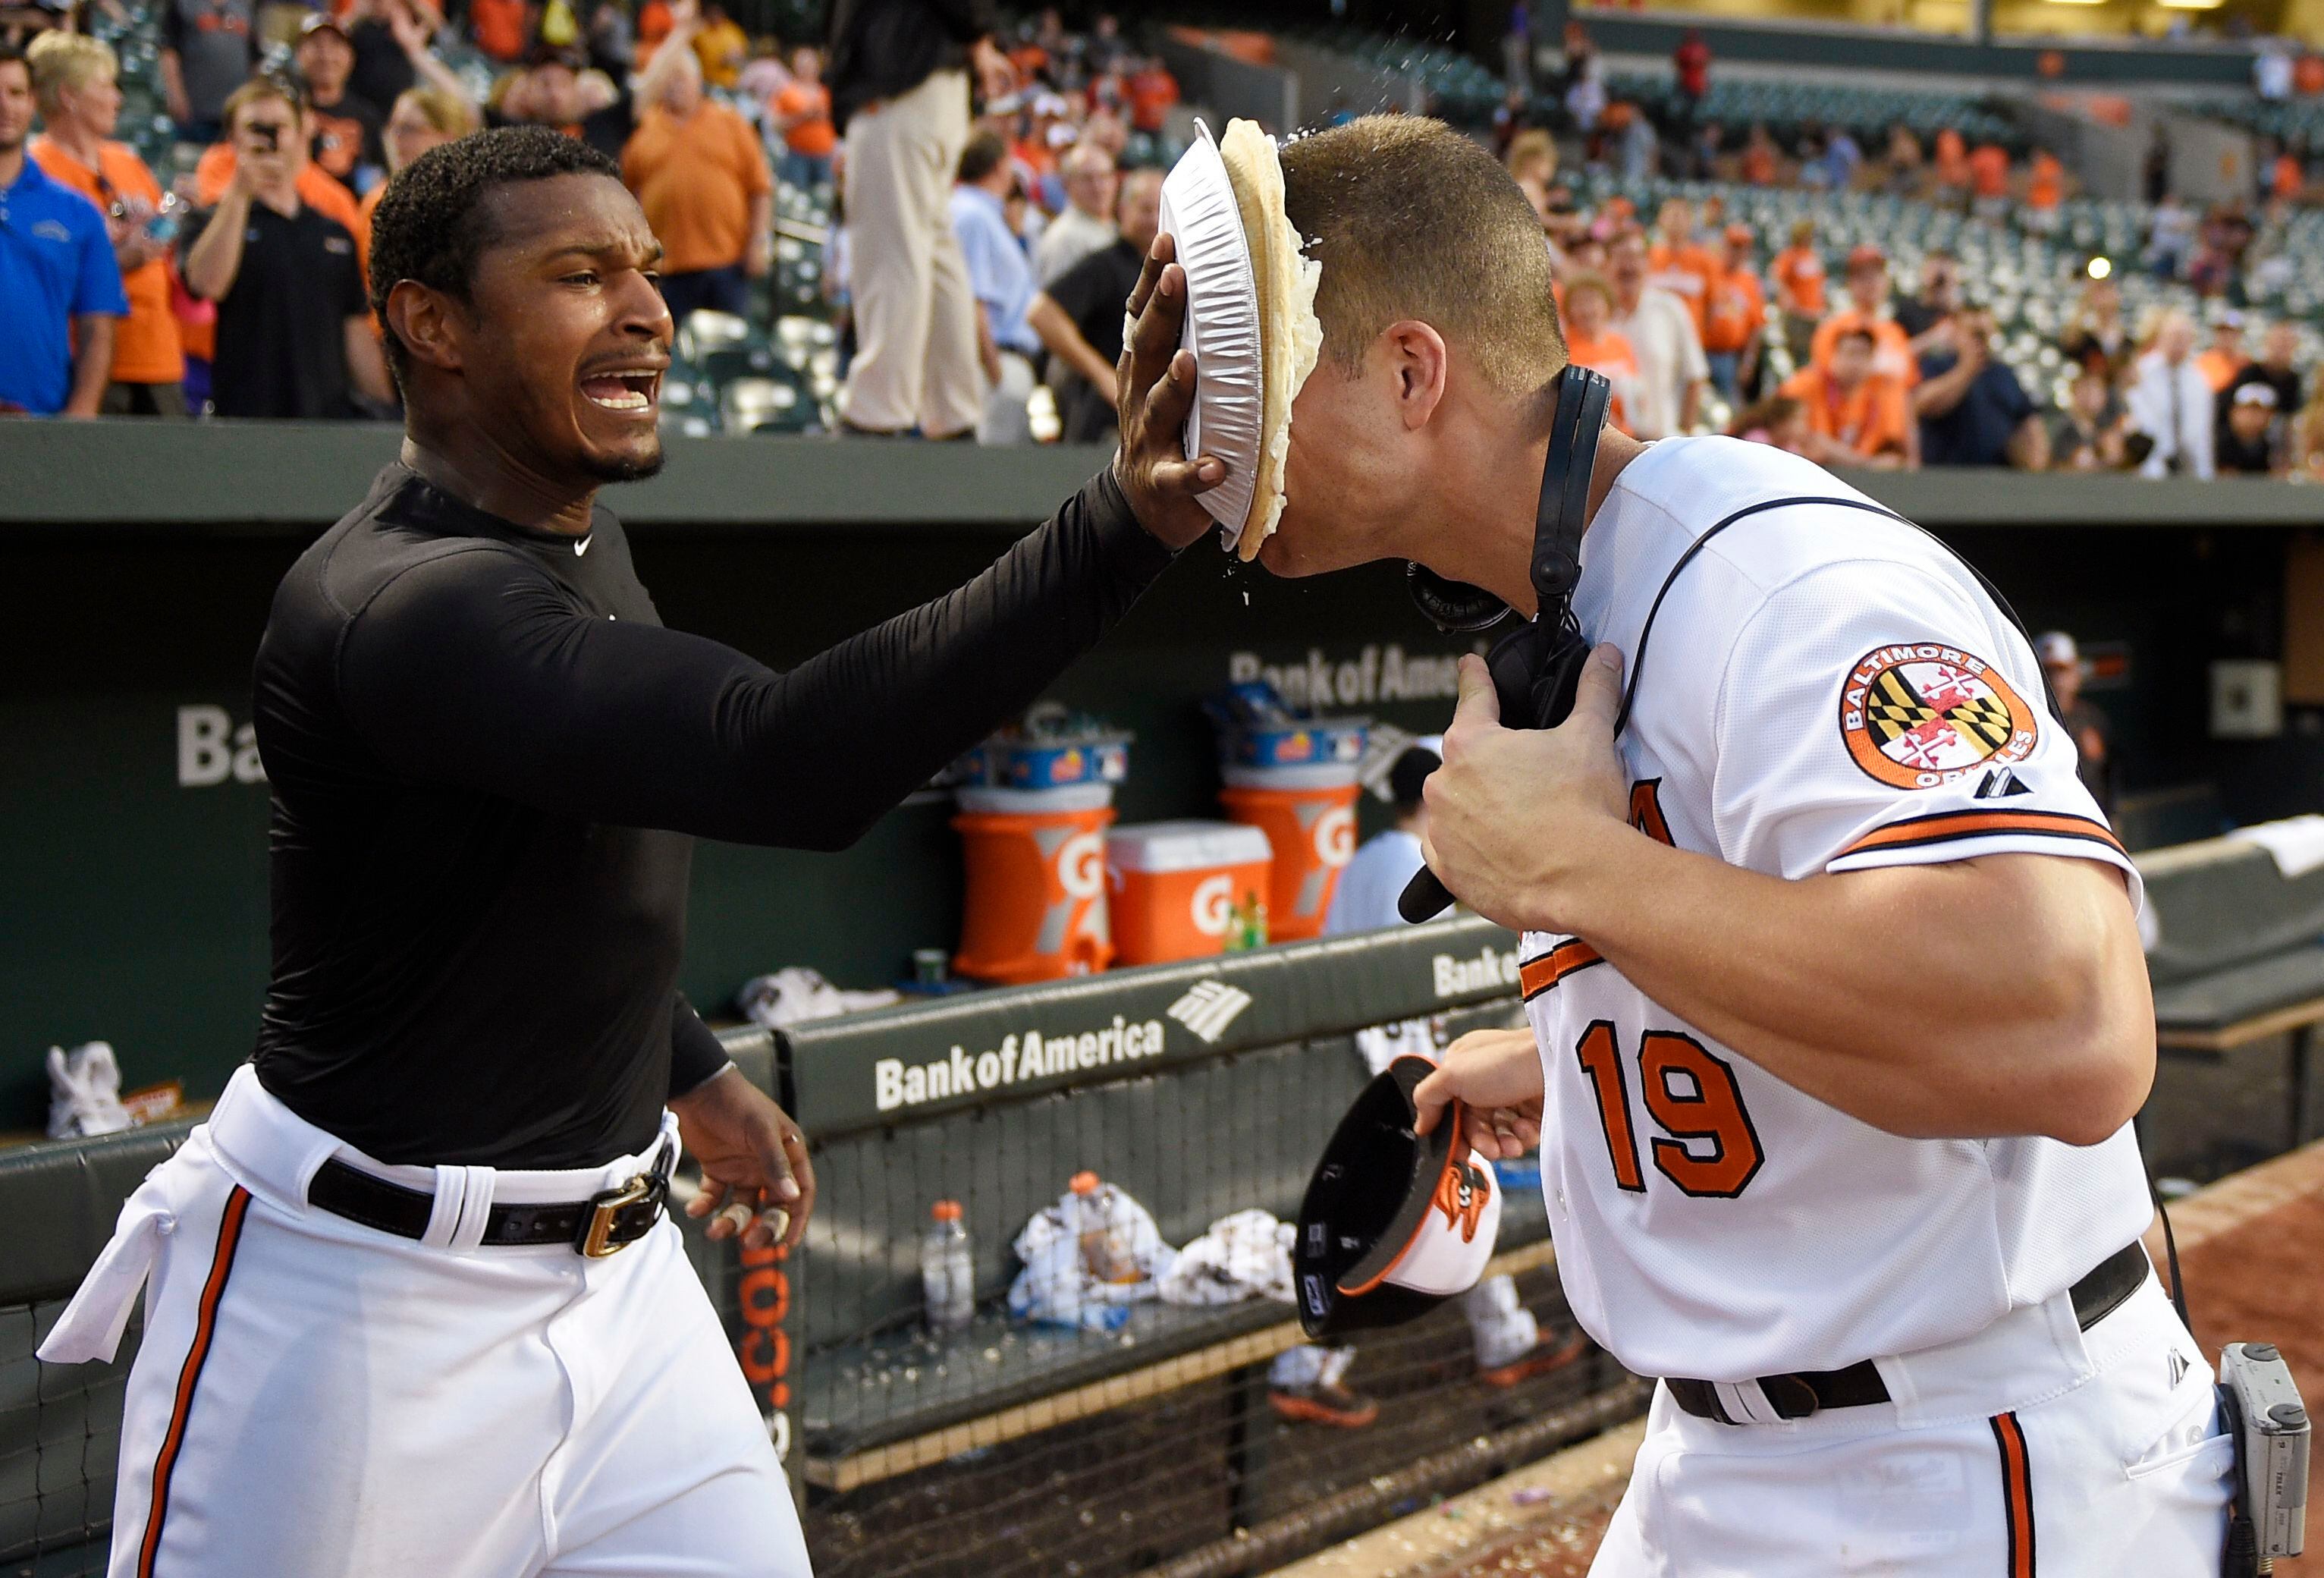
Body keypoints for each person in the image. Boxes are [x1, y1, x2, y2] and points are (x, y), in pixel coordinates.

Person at [38, 122, 1223, 1578]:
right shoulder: (403, 601)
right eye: (581, 273)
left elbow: (530, 867)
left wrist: (676, 1064)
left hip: (622, 1281)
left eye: (647, 271)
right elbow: (780, 754)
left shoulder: (569, 532)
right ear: (431, 324)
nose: (648, 308)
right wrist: (1117, 525)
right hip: (360, 1314)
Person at [1261, 112, 2224, 1576]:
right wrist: (1581, 1046)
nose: (1213, 424)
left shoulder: (1777, 573)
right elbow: (1771, 920)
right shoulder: (1568, 593)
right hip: (1718, 1456)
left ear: (1407, 374)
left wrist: (1575, 876)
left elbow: (2068, 1023)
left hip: (1958, 1461)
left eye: (1258, 366)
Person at [828, 0, 1003, 439]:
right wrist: (978, 39)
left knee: (894, 247)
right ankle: (953, 410)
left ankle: (877, 411)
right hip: (936, 87)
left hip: (901, 83)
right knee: (934, 249)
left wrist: (977, 32)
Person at [178, 78, 392, 418]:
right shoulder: (209, 220)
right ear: (232, 138)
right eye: (253, 127)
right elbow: (208, 284)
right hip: (245, 413)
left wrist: (386, 411)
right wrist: (239, 193)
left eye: (278, 126)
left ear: (300, 133)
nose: (268, 137)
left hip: (326, 414)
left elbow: (354, 328)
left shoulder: (332, 231)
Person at [27, 31, 184, 415]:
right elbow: (37, 278)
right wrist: (117, 260)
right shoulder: (35, 171)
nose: (119, 98)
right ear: (70, 95)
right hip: (88, 360)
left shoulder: (127, 162)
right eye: (106, 86)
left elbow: (162, 245)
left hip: (158, 356)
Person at [0, 40, 122, 417]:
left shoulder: (76, 212)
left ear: (34, 101)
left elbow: (99, 323)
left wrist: (80, 415)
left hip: (42, 423)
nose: (5, 105)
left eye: (16, 93)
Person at [621, 45, 771, 320]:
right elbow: (630, 196)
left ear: (698, 81)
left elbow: (759, 189)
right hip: (668, 269)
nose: (673, 84)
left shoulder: (731, 122)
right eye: (667, 77)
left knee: (726, 346)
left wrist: (759, 242)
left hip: (726, 263)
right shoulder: (644, 132)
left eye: (680, 77)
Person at [1025, 163, 1154, 443]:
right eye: (1145, 209)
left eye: (1161, 209)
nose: (1154, 219)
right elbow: (1042, 314)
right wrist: (1104, 376)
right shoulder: (1106, 264)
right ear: (1123, 209)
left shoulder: (1171, 267)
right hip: (1104, 426)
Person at [950, 127, 1039, 444]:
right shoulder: (973, 215)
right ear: (1001, 166)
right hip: (995, 360)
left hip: (1000, 360)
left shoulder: (984, 214)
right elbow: (972, 298)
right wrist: (994, 371)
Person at [1914, 306, 2046, 469]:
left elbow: (2028, 420)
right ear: (1957, 332)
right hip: (1946, 475)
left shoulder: (2003, 374)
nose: (1979, 341)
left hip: (1998, 477)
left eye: (1984, 334)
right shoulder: (1939, 365)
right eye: (1974, 334)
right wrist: (1966, 369)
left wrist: (2035, 461)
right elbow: (1924, 404)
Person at [1606, 227, 1705, 439]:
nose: (1629, 266)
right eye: (1621, 257)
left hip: (1662, 440)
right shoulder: (1594, 316)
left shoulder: (1669, 308)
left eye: (1636, 257)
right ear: (1607, 264)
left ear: (1647, 263)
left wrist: (1685, 436)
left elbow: (1695, 376)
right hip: (1609, 448)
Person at [1779, 323, 1915, 469]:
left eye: (1864, 355)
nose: (1855, 363)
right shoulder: (1805, 384)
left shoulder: (1880, 393)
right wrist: (1865, 464)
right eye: (1850, 353)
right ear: (1834, 355)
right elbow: (1802, 439)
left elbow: (1894, 453)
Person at [360, 84, 477, 234]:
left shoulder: (475, 201)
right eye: (393, 128)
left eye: (409, 129)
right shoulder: (378, 201)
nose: (396, 139)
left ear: (448, 137)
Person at [295, 14, 387, 199]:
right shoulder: (287, 113)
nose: (326, 56)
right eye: (317, 46)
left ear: (351, 56)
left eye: (335, 46)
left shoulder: (367, 116)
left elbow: (380, 178)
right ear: (299, 54)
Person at [1809, 243, 1918, 389]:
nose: (1870, 281)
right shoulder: (1833, 330)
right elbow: (1825, 386)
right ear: (1850, 283)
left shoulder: (1895, 332)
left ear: (1887, 281)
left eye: (1877, 273)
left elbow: (1907, 390)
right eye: (1862, 275)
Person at [2125, 310, 2214, 478]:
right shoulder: (2142, 373)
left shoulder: (2199, 380)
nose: (2178, 344)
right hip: (2151, 465)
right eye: (2174, 336)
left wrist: (2206, 473)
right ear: (2160, 338)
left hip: (2189, 466)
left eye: (2183, 338)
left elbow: (2203, 434)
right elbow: (2139, 422)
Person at [159, 0, 256, 145]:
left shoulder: (244, 7)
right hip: (195, 110)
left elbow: (255, 59)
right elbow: (169, 52)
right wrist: (175, 94)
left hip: (236, 113)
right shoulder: (183, 5)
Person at [2037, 632, 2112, 815]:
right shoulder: (2030, 721)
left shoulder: (2093, 718)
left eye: (2062, 670)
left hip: (2096, 821)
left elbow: (2109, 777)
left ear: (2076, 673)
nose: (2056, 680)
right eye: (2048, 671)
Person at [1553, 272, 1639, 434]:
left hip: (1626, 434)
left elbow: (1635, 391)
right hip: (1585, 436)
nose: (1587, 310)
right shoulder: (1562, 350)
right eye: (1578, 303)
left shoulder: (1620, 343)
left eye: (1592, 301)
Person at [1034, 139, 1115, 286]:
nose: (1098, 187)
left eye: (1104, 177)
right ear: (1067, 183)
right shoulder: (1065, 238)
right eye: (1087, 179)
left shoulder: (1110, 227)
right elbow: (1054, 306)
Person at [1699, 222, 1762, 404]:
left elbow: (1756, 326)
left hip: (1730, 357)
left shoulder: (1749, 281)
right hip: (1703, 350)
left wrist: (1748, 363)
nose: (1737, 252)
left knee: (1728, 406)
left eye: (1742, 248)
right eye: (1733, 246)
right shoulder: (1709, 272)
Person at [1644, 196, 1716, 338]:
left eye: (1680, 216)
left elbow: (1712, 304)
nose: (1675, 221)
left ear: (1690, 221)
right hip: (1656, 336)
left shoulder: (1705, 259)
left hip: (1692, 338)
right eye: (1671, 215)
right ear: (1660, 220)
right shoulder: (1648, 256)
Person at [770, 43, 834, 192]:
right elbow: (776, 123)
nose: (806, 67)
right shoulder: (787, 91)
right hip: (798, 154)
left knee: (824, 195)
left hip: (824, 154)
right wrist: (803, 117)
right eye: (802, 63)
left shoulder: (826, 92)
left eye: (810, 63)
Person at [2049, 364, 2126, 472]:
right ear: (2074, 391)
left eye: (2096, 390)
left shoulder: (2105, 430)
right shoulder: (2060, 424)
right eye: (2085, 388)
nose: (2090, 396)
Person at [2215, 380, 2282, 475]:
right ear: (2233, 412)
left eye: (2259, 411)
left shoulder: (2276, 446)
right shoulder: (2217, 444)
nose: (2252, 416)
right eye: (2247, 409)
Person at [2194, 310, 2247, 393]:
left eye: (2232, 332)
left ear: (2240, 334)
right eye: (2223, 332)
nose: (2227, 336)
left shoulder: (2246, 363)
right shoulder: (2203, 363)